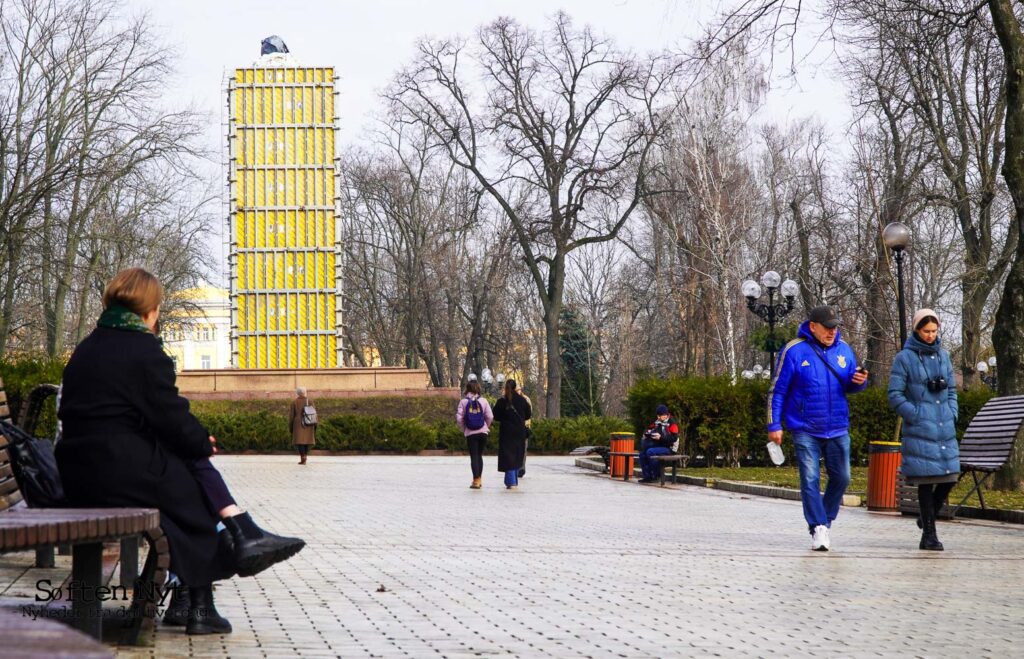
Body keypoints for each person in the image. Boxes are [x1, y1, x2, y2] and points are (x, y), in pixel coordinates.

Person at [56, 268, 305, 635]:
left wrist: (192, 442)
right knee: (191, 490)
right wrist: (202, 443)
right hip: (116, 469)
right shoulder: (142, 349)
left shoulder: (89, 347)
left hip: (81, 469)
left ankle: (201, 585)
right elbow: (169, 415)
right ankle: (208, 589)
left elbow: (130, 414)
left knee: (183, 488)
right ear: (150, 309)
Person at [767, 305, 869, 551]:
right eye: (827, 327)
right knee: (810, 478)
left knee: (843, 477)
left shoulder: (844, 351)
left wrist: (858, 383)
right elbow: (777, 390)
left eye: (835, 327)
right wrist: (774, 424)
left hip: (837, 428)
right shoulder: (793, 350)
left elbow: (848, 386)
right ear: (813, 326)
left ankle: (825, 518)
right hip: (805, 428)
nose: (832, 332)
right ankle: (818, 527)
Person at [887, 309, 959, 551]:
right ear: (917, 330)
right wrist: (915, 414)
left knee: (950, 477)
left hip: (943, 425)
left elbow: (951, 391)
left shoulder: (944, 356)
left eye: (934, 331)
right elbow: (894, 394)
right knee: (927, 481)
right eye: (926, 331)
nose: (930, 335)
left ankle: (925, 517)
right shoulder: (904, 358)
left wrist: (952, 412)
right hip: (920, 428)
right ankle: (929, 534)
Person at [492, 379, 531, 489]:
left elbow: (496, 415)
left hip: (506, 432)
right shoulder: (522, 400)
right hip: (519, 431)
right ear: (515, 387)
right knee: (517, 455)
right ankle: (512, 480)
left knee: (508, 455)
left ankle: (511, 481)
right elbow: (528, 414)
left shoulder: (502, 401)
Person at [456, 379, 494, 489]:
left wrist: (464, 429)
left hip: (471, 433)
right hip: (483, 432)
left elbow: (459, 418)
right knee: (479, 456)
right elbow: (490, 416)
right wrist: (485, 426)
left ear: (467, 389)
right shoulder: (484, 401)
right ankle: (479, 479)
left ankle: (476, 480)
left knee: (474, 456)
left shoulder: (463, 402)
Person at [638, 404, 679, 484]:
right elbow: (649, 429)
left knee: (650, 452)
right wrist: (646, 434)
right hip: (659, 445)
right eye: (657, 416)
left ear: (665, 415)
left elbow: (674, 438)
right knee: (642, 454)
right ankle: (647, 477)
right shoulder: (657, 422)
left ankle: (657, 475)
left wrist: (660, 438)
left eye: (660, 416)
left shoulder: (672, 423)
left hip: (669, 448)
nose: (658, 418)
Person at [289, 386, 316, 465]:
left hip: (297, 424)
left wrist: (290, 426)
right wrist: (315, 424)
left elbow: (291, 416)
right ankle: (305, 456)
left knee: (300, 441)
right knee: (307, 440)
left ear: (297, 393)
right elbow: (314, 413)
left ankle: (303, 457)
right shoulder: (310, 401)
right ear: (305, 392)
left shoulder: (294, 402)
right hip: (309, 422)